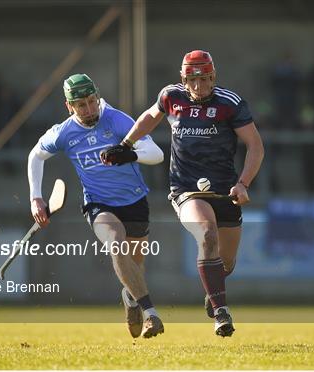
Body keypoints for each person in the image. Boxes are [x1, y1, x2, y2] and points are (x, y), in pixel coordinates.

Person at [101, 50, 264, 337]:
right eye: (192, 79)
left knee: (225, 263)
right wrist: (127, 144)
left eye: (204, 79)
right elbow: (150, 117)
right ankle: (221, 313)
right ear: (183, 79)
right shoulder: (170, 96)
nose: (199, 86)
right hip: (187, 188)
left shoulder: (230, 103)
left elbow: (255, 145)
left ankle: (211, 290)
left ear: (213, 76)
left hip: (226, 190)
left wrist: (244, 183)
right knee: (207, 233)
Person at [28, 73, 165, 339]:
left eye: (92, 101)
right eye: (81, 105)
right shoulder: (64, 132)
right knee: (116, 243)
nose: (89, 109)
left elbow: (157, 154)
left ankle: (132, 299)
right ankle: (152, 314)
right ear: (69, 106)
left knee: (135, 267)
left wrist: (130, 153)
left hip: (134, 202)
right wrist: (36, 197)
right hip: (98, 204)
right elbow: (36, 155)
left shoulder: (117, 120)